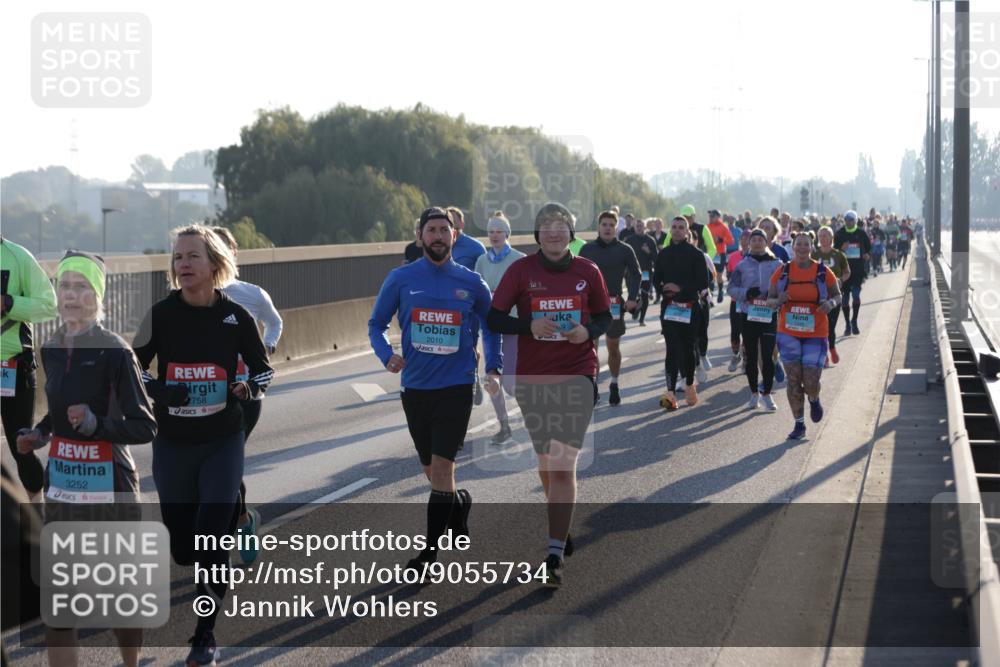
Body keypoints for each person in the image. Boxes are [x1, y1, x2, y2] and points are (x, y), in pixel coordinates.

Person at [134, 225, 273, 666]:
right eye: (177, 258)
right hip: (174, 442)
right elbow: (132, 369)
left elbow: (265, 372)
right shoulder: (160, 314)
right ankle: (224, 529)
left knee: (211, 536)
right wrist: (159, 390)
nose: (183, 265)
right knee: (183, 547)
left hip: (222, 440)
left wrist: (247, 388)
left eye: (192, 256)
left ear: (215, 264)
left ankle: (204, 635)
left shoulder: (236, 317)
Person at [17, 251, 156, 667]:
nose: (71, 295)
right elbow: (58, 412)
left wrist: (97, 425)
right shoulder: (52, 348)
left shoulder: (115, 351)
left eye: (82, 287)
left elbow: (145, 426)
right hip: (63, 489)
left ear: (98, 298)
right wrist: (38, 434)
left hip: (111, 488)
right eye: (65, 286)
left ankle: (131, 662)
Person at [369, 207, 501, 572]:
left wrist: (494, 365)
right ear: (420, 237)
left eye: (445, 230)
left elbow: (491, 327)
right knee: (431, 471)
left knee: (442, 469)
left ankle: (428, 556)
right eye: (432, 230)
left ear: (454, 236)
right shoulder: (401, 279)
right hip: (415, 388)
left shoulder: (472, 282)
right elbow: (376, 324)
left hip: (456, 387)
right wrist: (386, 356)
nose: (439, 236)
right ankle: (459, 503)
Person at [487, 202, 612, 588]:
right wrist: (529, 325)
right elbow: (493, 317)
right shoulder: (520, 271)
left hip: (578, 373)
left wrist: (587, 333)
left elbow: (606, 316)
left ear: (571, 233)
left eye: (561, 226)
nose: (554, 233)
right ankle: (562, 522)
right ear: (537, 234)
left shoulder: (587, 271)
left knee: (562, 462)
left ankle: (554, 553)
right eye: (546, 227)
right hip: (533, 377)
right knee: (545, 460)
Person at [211, 226, 283, 566]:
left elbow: (275, 322)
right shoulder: (190, 296)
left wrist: (267, 346)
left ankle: (221, 541)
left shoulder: (251, 294)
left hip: (246, 391)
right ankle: (241, 520)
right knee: (215, 466)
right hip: (207, 394)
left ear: (232, 255)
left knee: (224, 462)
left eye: (220, 249)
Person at [766, 233, 841, 440]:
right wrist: (778, 299)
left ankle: (814, 398)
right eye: (798, 244)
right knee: (793, 379)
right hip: (788, 333)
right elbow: (769, 301)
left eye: (805, 244)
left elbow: (837, 295)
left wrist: (830, 304)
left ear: (811, 246)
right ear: (793, 247)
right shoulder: (783, 272)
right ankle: (799, 425)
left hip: (815, 333)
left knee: (810, 380)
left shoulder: (823, 271)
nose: (801, 247)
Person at [1, 237, 58, 502]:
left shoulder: (17, 256)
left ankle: (36, 519)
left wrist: (9, 303)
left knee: (20, 447)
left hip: (13, 368)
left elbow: (49, 305)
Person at [473, 212, 525, 445]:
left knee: (511, 386)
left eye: (498, 231)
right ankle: (504, 426)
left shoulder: (518, 259)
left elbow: (526, 292)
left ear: (507, 234)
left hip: (512, 324)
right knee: (491, 379)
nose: (494, 235)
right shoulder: (482, 261)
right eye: (491, 231)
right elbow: (477, 291)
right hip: (491, 324)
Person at [581, 210, 640, 405]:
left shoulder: (625, 249)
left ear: (616, 228)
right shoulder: (587, 250)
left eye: (611, 225)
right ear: (598, 227)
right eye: (604, 224)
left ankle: (614, 383)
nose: (607, 228)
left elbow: (636, 274)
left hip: (613, 304)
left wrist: (632, 298)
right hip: (590, 305)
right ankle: (594, 385)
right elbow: (577, 277)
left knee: (613, 347)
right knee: (592, 348)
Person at [653, 216, 711, 410]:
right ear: (670, 230)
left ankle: (688, 385)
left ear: (687, 231)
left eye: (681, 228)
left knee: (687, 349)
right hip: (669, 308)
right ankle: (670, 393)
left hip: (690, 308)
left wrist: (680, 288)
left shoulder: (696, 254)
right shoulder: (664, 254)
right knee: (671, 348)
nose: (677, 230)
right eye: (674, 227)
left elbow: (703, 283)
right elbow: (656, 279)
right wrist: (664, 288)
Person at [728, 230, 782, 410]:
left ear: (766, 243)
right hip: (748, 315)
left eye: (761, 240)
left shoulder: (777, 264)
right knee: (751, 357)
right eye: (754, 240)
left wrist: (774, 296)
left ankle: (767, 394)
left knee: (767, 356)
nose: (757, 243)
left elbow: (784, 286)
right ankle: (753, 394)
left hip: (768, 314)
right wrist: (746, 293)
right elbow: (731, 288)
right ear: (749, 243)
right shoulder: (742, 265)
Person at [812, 226, 850, 366]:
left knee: (830, 327)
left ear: (831, 238)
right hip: (818, 297)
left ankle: (832, 348)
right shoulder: (814, 256)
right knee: (820, 326)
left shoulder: (839, 254)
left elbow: (847, 272)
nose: (823, 238)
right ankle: (824, 355)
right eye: (820, 235)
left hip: (834, 296)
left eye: (826, 235)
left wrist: (840, 280)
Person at [833, 210, 871, 336]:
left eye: (851, 220)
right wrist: (841, 249)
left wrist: (866, 255)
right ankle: (847, 324)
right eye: (846, 220)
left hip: (858, 269)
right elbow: (834, 251)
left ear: (855, 221)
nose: (848, 222)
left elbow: (869, 248)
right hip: (844, 271)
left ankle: (854, 320)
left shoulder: (861, 233)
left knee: (856, 295)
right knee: (844, 299)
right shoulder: (839, 234)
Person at [623, 217, 658, 325]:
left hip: (646, 272)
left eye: (640, 226)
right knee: (633, 295)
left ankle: (642, 319)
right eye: (637, 226)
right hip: (631, 273)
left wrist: (648, 252)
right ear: (634, 227)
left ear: (645, 227)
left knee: (644, 295)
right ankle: (636, 309)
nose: (638, 228)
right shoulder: (629, 240)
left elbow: (656, 258)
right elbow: (623, 257)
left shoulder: (650, 240)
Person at [725, 230, 750, 371]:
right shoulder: (733, 257)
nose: (745, 241)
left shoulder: (755, 257)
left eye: (748, 238)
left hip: (750, 301)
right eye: (743, 238)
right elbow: (729, 275)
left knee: (747, 331)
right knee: (735, 330)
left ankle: (746, 358)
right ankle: (736, 355)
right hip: (736, 300)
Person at [707, 209, 735, 303]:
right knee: (710, 275)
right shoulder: (707, 227)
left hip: (720, 254)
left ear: (718, 217)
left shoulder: (723, 227)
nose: (710, 218)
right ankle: (710, 298)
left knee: (718, 275)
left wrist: (721, 240)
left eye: (712, 216)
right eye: (709, 216)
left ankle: (720, 291)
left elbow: (731, 241)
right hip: (710, 254)